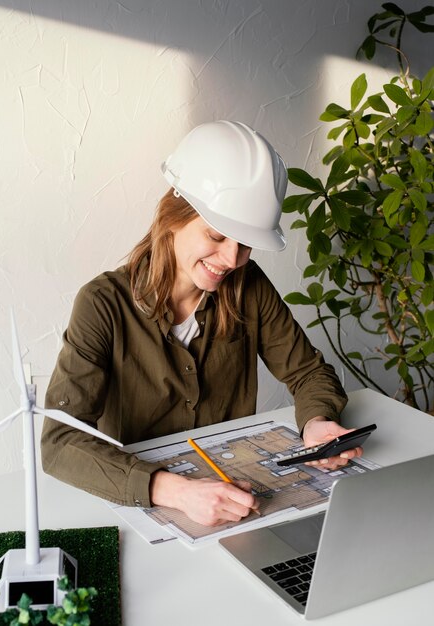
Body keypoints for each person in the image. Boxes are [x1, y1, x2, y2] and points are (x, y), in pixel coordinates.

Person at [41, 120, 362, 527]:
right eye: (216, 235)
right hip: (141, 506)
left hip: (237, 499)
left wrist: (317, 423)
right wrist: (176, 492)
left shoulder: (249, 287)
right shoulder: (103, 304)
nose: (231, 259)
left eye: (244, 243)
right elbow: (61, 442)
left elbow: (308, 373)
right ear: (173, 217)